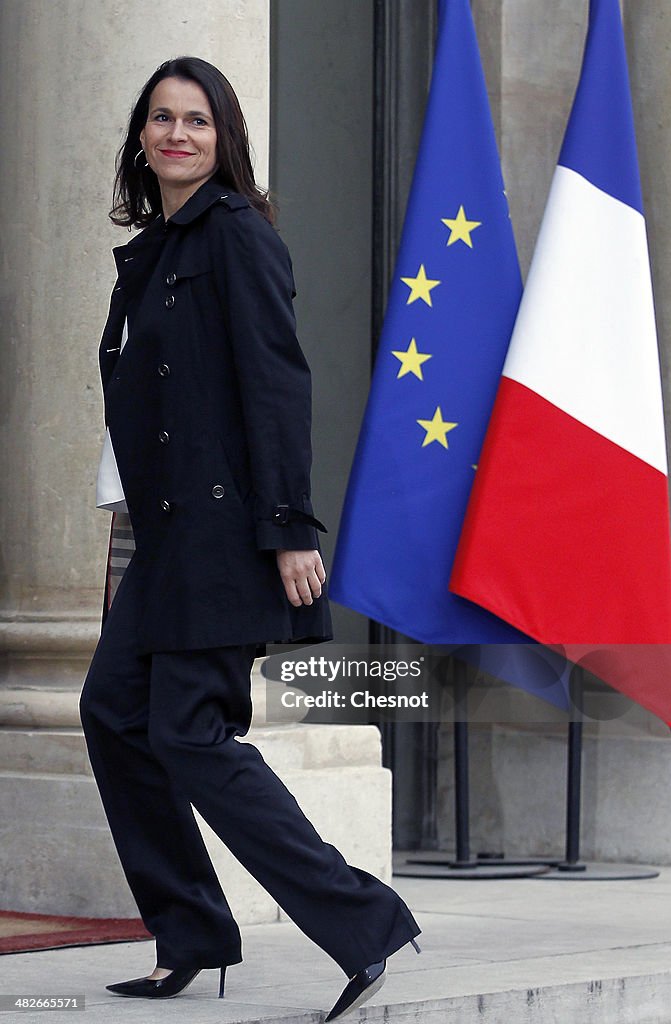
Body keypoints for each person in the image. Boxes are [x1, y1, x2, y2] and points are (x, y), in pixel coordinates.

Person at [79, 56, 421, 1021]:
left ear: (224, 138)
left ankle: (362, 922)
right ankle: (189, 931)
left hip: (227, 533)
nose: (177, 134)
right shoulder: (155, 250)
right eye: (161, 119)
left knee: (190, 733)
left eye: (197, 120)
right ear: (140, 138)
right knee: (113, 713)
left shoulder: (235, 237)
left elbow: (277, 385)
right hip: (163, 541)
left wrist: (288, 528)